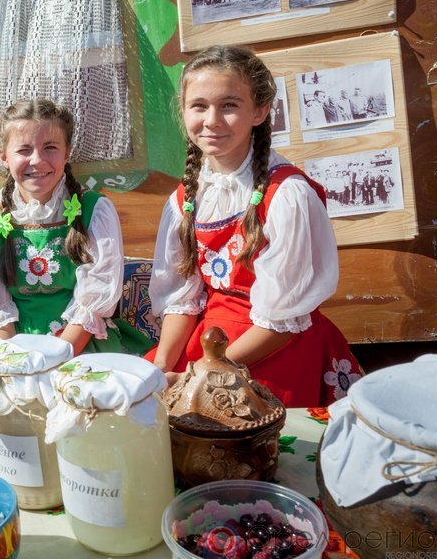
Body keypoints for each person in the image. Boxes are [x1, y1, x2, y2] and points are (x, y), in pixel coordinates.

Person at [144, 45, 363, 408]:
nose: (212, 120)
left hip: (271, 347)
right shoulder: (185, 197)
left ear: (259, 111)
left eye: (229, 105)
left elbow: (283, 320)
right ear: (183, 111)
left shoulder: (288, 195)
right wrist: (164, 369)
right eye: (199, 105)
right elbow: (181, 299)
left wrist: (202, 375)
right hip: (210, 342)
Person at [0, 99, 152, 356]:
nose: (37, 160)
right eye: (24, 150)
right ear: (3, 157)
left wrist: (57, 357)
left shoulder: (94, 211)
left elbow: (93, 303)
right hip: (17, 345)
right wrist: (14, 361)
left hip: (81, 341)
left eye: (50, 147)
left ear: (67, 152)